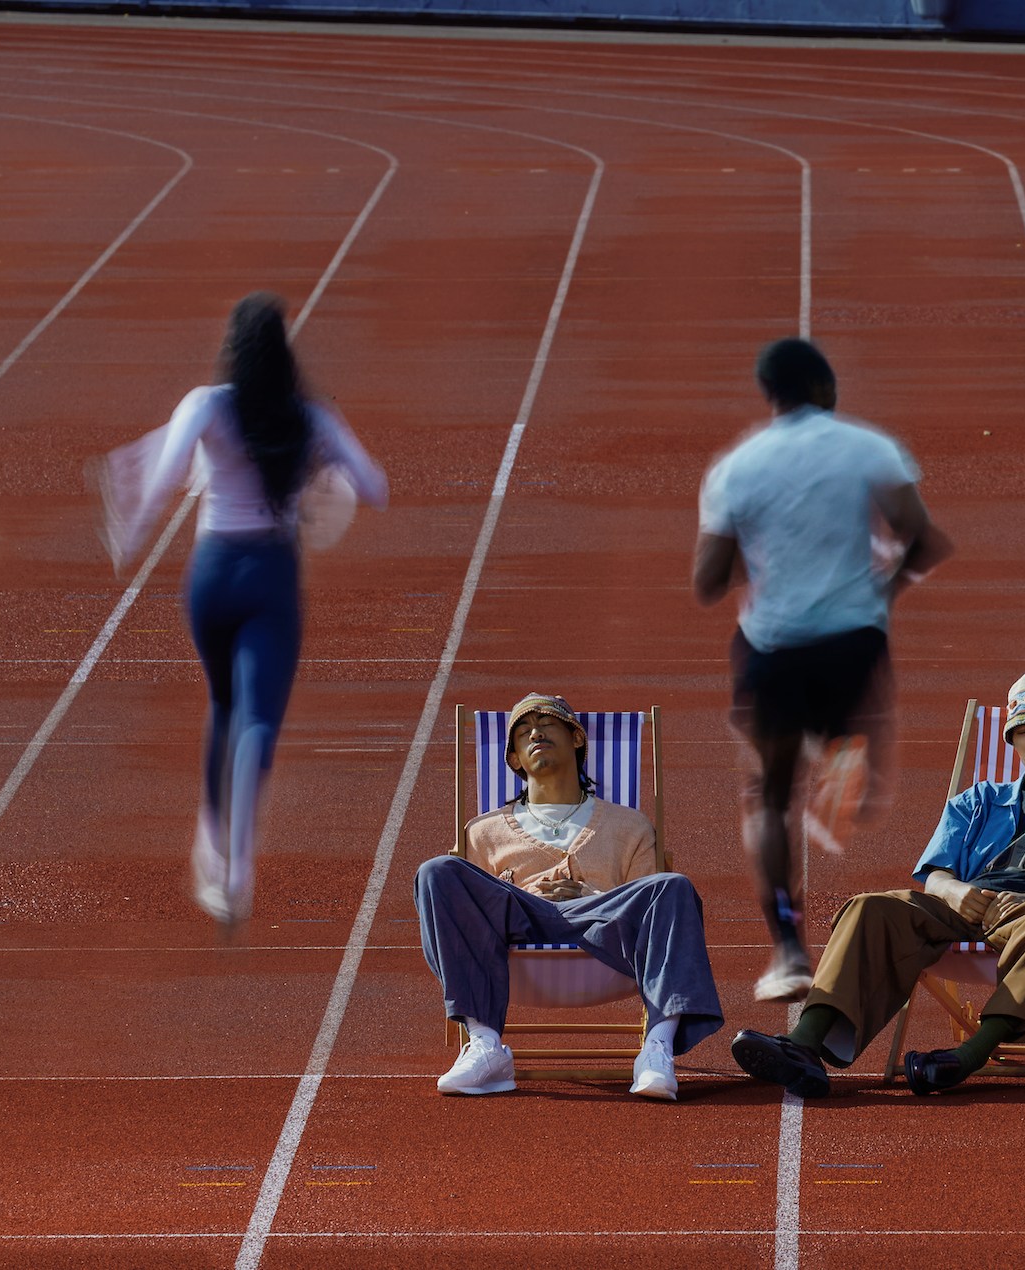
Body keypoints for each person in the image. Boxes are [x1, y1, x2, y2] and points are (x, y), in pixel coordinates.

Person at [98, 293, 386, 925]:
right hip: (272, 577)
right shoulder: (308, 418)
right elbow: (376, 487)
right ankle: (238, 866)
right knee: (258, 722)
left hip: (211, 576)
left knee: (223, 702)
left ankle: (210, 839)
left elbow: (162, 481)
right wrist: (325, 469)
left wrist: (130, 533)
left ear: (232, 347)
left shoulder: (206, 405)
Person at [728, 672, 1025, 1097]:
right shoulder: (977, 800)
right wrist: (956, 891)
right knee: (868, 907)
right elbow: (935, 874)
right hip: (965, 907)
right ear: (1012, 741)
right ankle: (804, 1045)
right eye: (1024, 731)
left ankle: (969, 1055)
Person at [694, 337, 951, 1002]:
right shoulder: (869, 448)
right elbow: (924, 539)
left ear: (770, 396)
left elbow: (707, 580)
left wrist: (760, 551)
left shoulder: (737, 469)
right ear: (828, 391)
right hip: (853, 644)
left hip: (774, 648)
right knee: (847, 746)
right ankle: (846, 747)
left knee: (767, 797)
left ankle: (787, 949)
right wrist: (879, 594)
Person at [415, 693, 724, 1099]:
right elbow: (471, 911)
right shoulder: (483, 831)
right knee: (438, 871)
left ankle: (657, 1046)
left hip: (604, 941)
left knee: (673, 886)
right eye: (523, 732)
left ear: (576, 738)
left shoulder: (629, 825)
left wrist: (593, 894)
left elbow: (650, 907)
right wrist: (513, 890)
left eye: (547, 725)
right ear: (515, 759)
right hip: (516, 941)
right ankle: (486, 1043)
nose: (535, 734)